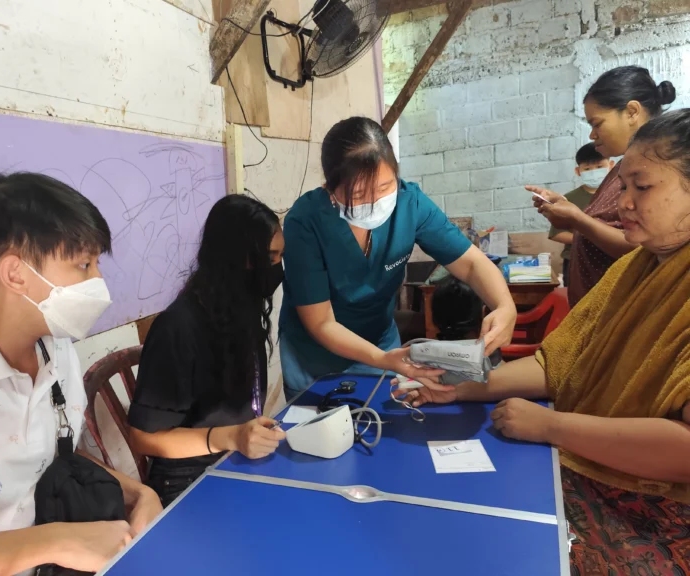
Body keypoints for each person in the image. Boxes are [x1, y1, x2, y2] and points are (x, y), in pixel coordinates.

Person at [401, 109, 690, 575]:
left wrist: (552, 427)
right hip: (588, 466)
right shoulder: (633, 270)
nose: (622, 205)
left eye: (643, 187)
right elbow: (558, 364)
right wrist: (462, 386)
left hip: (655, 508)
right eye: (624, 189)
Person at [0, 173, 162, 576]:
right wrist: (51, 542)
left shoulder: (57, 350)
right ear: (15, 273)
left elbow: (55, 454)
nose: (99, 283)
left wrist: (139, 494)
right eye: (83, 265)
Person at [279, 117, 517, 400]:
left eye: (384, 187)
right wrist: (381, 359)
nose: (375, 201)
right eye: (358, 194)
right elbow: (321, 323)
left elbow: (470, 263)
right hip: (316, 354)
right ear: (330, 186)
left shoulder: (410, 203)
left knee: (380, 420)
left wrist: (505, 305)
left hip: (382, 341)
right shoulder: (305, 222)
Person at [128, 195, 287, 506]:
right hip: (188, 481)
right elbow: (142, 438)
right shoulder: (178, 328)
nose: (278, 269)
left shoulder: (242, 308)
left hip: (234, 459)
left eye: (281, 257)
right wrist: (231, 437)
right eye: (269, 258)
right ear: (235, 260)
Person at [527, 65, 677, 306]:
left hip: (624, 309)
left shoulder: (656, 167)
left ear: (631, 111)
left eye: (597, 124)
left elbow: (644, 246)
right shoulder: (622, 167)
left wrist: (578, 220)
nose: (592, 135)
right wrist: (569, 212)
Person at [547, 143, 614, 282]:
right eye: (588, 169)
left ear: (611, 165)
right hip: (575, 261)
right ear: (578, 171)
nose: (594, 172)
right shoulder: (568, 199)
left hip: (612, 260)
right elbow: (556, 234)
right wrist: (590, 238)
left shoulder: (619, 194)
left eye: (600, 167)